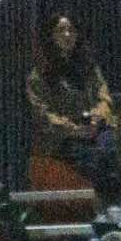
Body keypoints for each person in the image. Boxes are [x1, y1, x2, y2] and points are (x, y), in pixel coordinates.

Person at [26, 12, 114, 183]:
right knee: (90, 158)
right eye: (61, 31)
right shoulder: (39, 75)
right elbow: (41, 113)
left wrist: (97, 116)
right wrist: (72, 129)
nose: (67, 35)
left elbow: (104, 97)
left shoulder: (89, 67)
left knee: (112, 147)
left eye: (71, 30)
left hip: (94, 128)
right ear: (51, 36)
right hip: (62, 137)